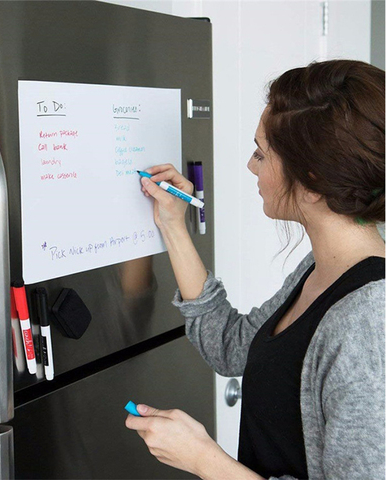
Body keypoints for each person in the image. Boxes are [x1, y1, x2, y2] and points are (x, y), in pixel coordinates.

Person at [125, 59, 385, 479]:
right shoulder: (322, 270)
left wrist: (204, 460)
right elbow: (232, 347)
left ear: (313, 179)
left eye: (261, 154)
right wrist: (173, 224)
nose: (251, 166)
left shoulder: (368, 324)